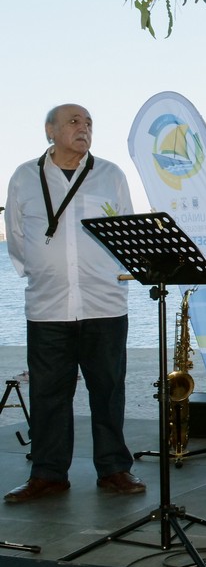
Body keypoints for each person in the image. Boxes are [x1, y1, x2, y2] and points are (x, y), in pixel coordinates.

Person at [4, 104, 146, 503]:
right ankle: (48, 474)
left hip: (104, 303)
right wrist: (40, 270)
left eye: (88, 123)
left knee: (108, 390)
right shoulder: (24, 177)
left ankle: (115, 469)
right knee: (48, 394)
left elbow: (125, 231)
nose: (83, 128)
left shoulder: (110, 174)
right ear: (50, 130)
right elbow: (16, 235)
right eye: (73, 122)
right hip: (48, 306)